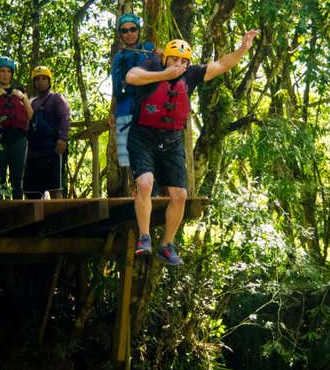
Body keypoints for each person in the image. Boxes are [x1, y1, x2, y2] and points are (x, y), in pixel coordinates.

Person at [126, 29, 259, 265]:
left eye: (183, 61)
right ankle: (144, 237)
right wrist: (164, 74)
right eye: (174, 59)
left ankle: (166, 245)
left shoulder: (192, 75)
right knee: (145, 183)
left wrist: (243, 48)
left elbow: (222, 65)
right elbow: (131, 77)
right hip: (143, 135)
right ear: (165, 58)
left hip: (172, 140)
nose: (179, 64)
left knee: (180, 195)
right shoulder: (152, 66)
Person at [109, 13, 161, 173]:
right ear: (120, 34)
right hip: (124, 109)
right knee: (129, 159)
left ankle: (153, 195)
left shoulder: (149, 49)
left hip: (146, 110)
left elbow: (167, 62)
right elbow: (116, 87)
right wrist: (112, 111)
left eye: (132, 29)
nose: (129, 33)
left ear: (138, 31)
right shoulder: (118, 57)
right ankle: (138, 194)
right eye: (124, 31)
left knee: (150, 155)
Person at [0, 55, 33, 199]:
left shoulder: (20, 90)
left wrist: (22, 97)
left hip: (18, 138)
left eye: (8, 71)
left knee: (17, 180)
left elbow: (30, 115)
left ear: (12, 73)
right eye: (2, 71)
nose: (5, 74)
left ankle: (19, 213)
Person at [24, 65, 71, 199]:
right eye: (37, 79)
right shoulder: (31, 103)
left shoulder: (56, 98)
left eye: (44, 79)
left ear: (49, 81)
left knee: (55, 189)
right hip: (34, 152)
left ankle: (60, 219)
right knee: (31, 192)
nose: (41, 82)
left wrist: (62, 138)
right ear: (34, 83)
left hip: (52, 149)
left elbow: (65, 116)